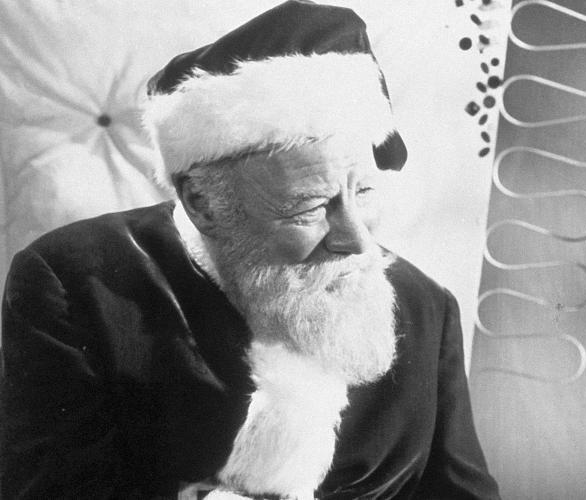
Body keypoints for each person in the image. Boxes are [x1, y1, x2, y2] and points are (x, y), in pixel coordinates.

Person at [0, 2, 500, 499]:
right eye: (311, 207)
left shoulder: (426, 309)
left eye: (363, 192)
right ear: (203, 203)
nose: (356, 239)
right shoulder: (73, 284)